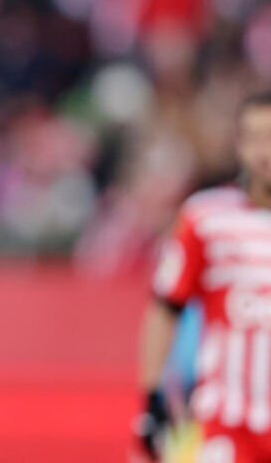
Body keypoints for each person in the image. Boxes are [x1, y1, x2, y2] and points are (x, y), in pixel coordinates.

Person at [136, 91, 271, 462]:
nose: (265, 151)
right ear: (239, 145)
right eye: (255, 137)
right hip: (228, 422)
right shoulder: (206, 217)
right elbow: (166, 306)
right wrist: (152, 398)